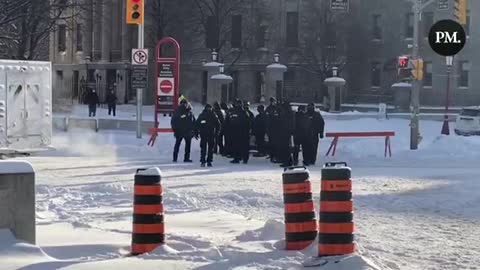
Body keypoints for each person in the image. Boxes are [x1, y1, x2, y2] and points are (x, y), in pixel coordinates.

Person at [227, 99, 251, 164]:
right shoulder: (243, 112)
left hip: (240, 132)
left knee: (240, 146)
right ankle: (240, 158)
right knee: (241, 146)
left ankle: (239, 158)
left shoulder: (240, 112)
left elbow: (248, 123)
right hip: (240, 132)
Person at [277, 101, 295, 167]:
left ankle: (286, 162)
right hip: (287, 132)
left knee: (285, 148)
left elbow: (285, 123)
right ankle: (289, 161)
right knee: (287, 147)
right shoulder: (290, 113)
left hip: (285, 132)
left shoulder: (287, 114)